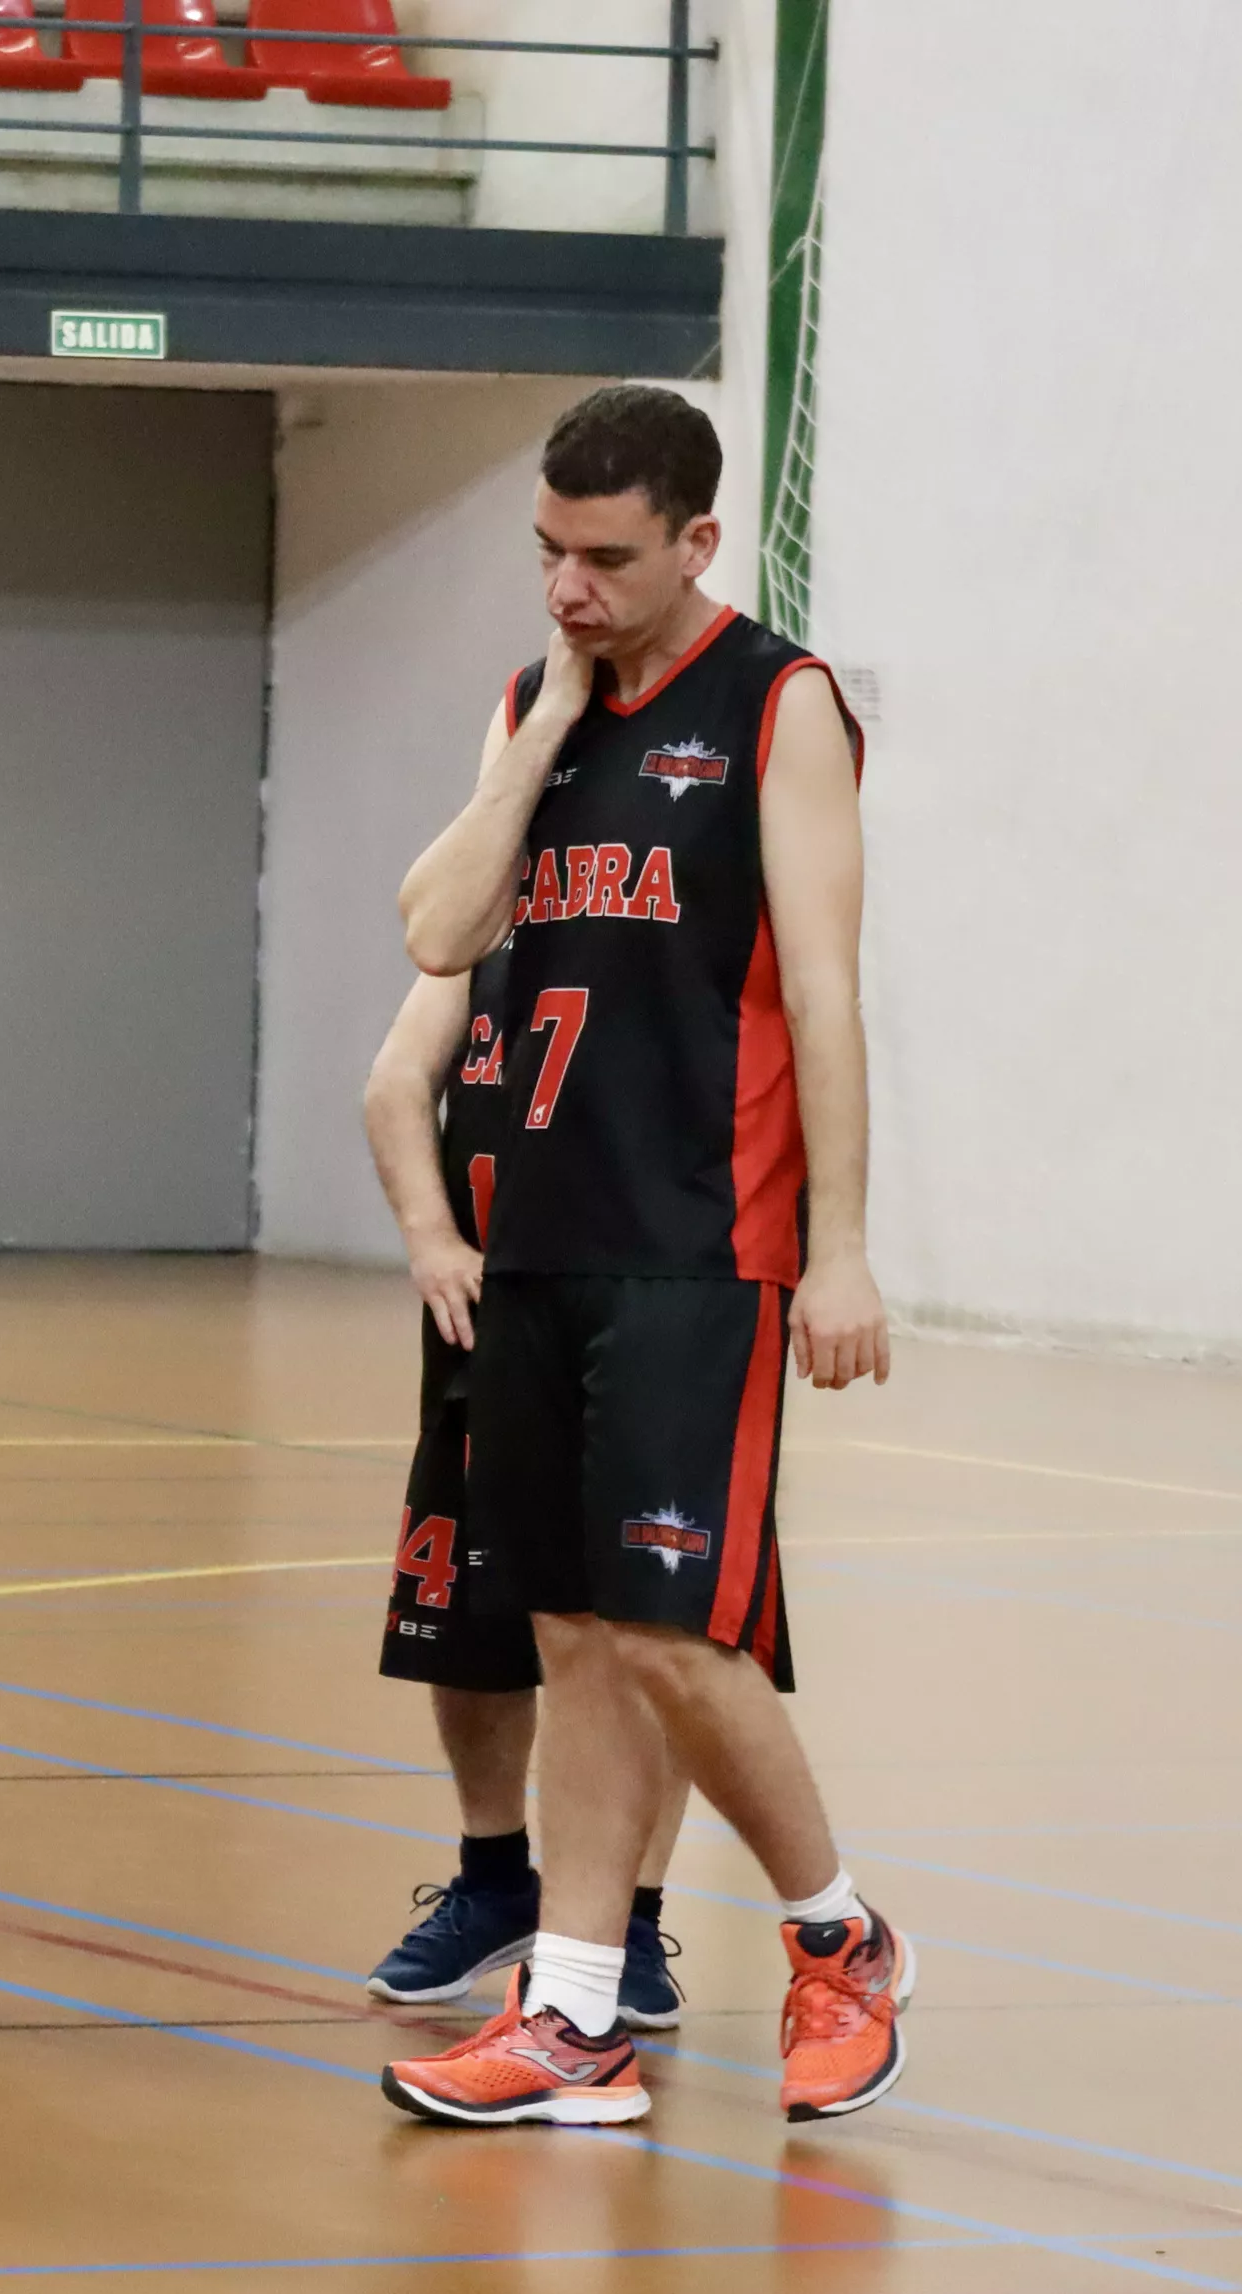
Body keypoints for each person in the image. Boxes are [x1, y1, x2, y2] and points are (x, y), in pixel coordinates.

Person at [382, 385, 906, 2129]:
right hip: (537, 1234)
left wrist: (838, 1247)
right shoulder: (536, 703)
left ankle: (836, 1937)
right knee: (577, 1645)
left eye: (604, 558)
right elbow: (440, 927)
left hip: (704, 1239)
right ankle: (575, 2014)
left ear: (693, 541)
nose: (569, 587)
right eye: (544, 552)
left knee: (680, 1633)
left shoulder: (780, 705)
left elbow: (824, 988)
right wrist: (535, 737)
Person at [357, 953, 690, 2025]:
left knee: (652, 1629)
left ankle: (630, 1922)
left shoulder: (681, 941)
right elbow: (395, 1084)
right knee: (464, 1621)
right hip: (487, 1338)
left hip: (638, 1331)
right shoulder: (488, 931)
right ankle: (496, 1877)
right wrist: (429, 1233)